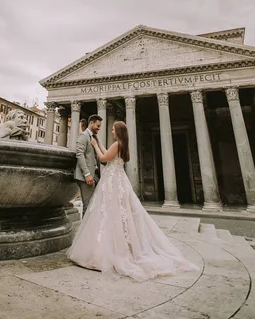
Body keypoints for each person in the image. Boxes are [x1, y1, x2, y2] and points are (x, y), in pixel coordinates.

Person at [68, 121, 198, 282]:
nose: (112, 131)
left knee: (109, 211)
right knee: (115, 211)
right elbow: (108, 154)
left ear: (119, 132)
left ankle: (107, 251)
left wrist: (94, 145)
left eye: (114, 130)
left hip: (113, 181)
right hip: (117, 179)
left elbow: (103, 157)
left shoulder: (117, 144)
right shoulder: (122, 145)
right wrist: (99, 142)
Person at [74, 114, 102, 216]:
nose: (99, 128)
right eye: (98, 126)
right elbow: (79, 154)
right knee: (88, 205)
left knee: (94, 203)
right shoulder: (83, 135)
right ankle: (85, 231)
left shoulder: (94, 137)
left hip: (94, 174)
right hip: (86, 176)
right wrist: (87, 174)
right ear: (91, 123)